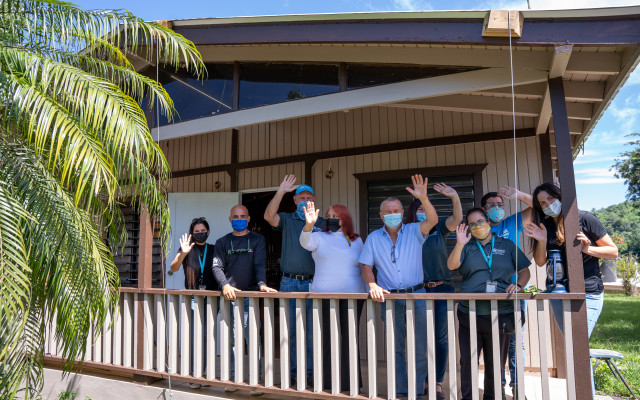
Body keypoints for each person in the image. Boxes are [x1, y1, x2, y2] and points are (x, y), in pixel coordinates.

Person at [359, 174, 438, 398]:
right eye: (388, 212)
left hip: (417, 295)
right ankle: (400, 391)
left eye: (396, 211)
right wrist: (372, 284)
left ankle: (417, 391)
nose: (392, 215)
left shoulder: (415, 230)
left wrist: (424, 198)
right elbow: (366, 267)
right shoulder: (373, 238)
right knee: (396, 348)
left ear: (403, 214)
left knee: (420, 347)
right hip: (390, 298)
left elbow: (432, 221)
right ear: (381, 215)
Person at [448, 208, 531, 400]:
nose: (478, 226)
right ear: (468, 227)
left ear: (487, 221)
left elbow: (525, 270)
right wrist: (460, 244)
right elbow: (452, 265)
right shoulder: (467, 246)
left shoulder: (507, 244)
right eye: (472, 224)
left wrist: (519, 285)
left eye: (480, 221)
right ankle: (468, 397)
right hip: (470, 313)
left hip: (500, 313)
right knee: (468, 361)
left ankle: (491, 396)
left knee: (495, 362)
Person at [524, 183, 618, 336]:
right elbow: (540, 262)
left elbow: (613, 251)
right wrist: (542, 241)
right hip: (556, 292)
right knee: (570, 341)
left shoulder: (584, 218)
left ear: (560, 196)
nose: (548, 204)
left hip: (588, 291)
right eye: (543, 203)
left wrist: (588, 249)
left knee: (578, 339)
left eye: (551, 198)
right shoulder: (544, 226)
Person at [263, 175, 325, 385]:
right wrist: (281, 190)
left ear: (314, 200)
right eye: (301, 198)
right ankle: (292, 373)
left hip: (313, 282)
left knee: (310, 332)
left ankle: (309, 372)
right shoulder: (288, 219)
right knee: (291, 332)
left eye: (309, 197)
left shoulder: (322, 222)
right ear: (295, 201)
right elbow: (269, 216)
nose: (305, 200)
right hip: (289, 282)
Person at [212, 205, 278, 395]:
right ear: (230, 219)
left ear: (248, 219)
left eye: (242, 216)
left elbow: (258, 264)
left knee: (252, 339)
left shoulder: (257, 240)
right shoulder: (222, 242)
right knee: (231, 340)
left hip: (249, 296)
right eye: (235, 216)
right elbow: (217, 267)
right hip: (228, 298)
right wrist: (225, 285)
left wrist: (262, 283)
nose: (239, 219)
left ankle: (255, 381)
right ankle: (232, 379)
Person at [299, 202, 365, 392]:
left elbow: (364, 265)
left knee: (349, 340)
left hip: (353, 297)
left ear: (345, 218)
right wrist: (309, 225)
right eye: (329, 215)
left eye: (335, 215)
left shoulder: (356, 240)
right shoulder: (318, 236)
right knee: (326, 339)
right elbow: (305, 242)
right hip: (324, 297)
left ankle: (350, 382)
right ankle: (325, 382)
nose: (331, 218)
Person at [407, 183, 462, 400]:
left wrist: (455, 197)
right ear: (412, 213)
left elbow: (457, 220)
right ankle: (421, 379)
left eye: (425, 208)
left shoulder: (439, 230)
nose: (422, 212)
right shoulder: (406, 232)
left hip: (442, 288)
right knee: (420, 338)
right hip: (418, 291)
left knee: (441, 338)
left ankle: (436, 382)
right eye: (418, 209)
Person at [482, 187, 533, 396]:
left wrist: (519, 195)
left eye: (500, 205)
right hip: (488, 294)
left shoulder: (511, 222)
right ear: (484, 209)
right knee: (494, 342)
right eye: (492, 205)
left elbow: (537, 207)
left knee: (515, 340)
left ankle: (517, 387)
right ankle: (498, 386)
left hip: (515, 291)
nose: (496, 208)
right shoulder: (478, 228)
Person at [169, 217, 218, 389]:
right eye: (196, 232)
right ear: (192, 234)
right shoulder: (187, 249)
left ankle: (205, 371)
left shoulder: (214, 249)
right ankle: (193, 373)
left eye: (202, 231)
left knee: (207, 336)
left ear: (208, 232)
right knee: (193, 336)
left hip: (212, 298)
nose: (200, 234)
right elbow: (173, 268)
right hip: (193, 298)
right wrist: (183, 252)